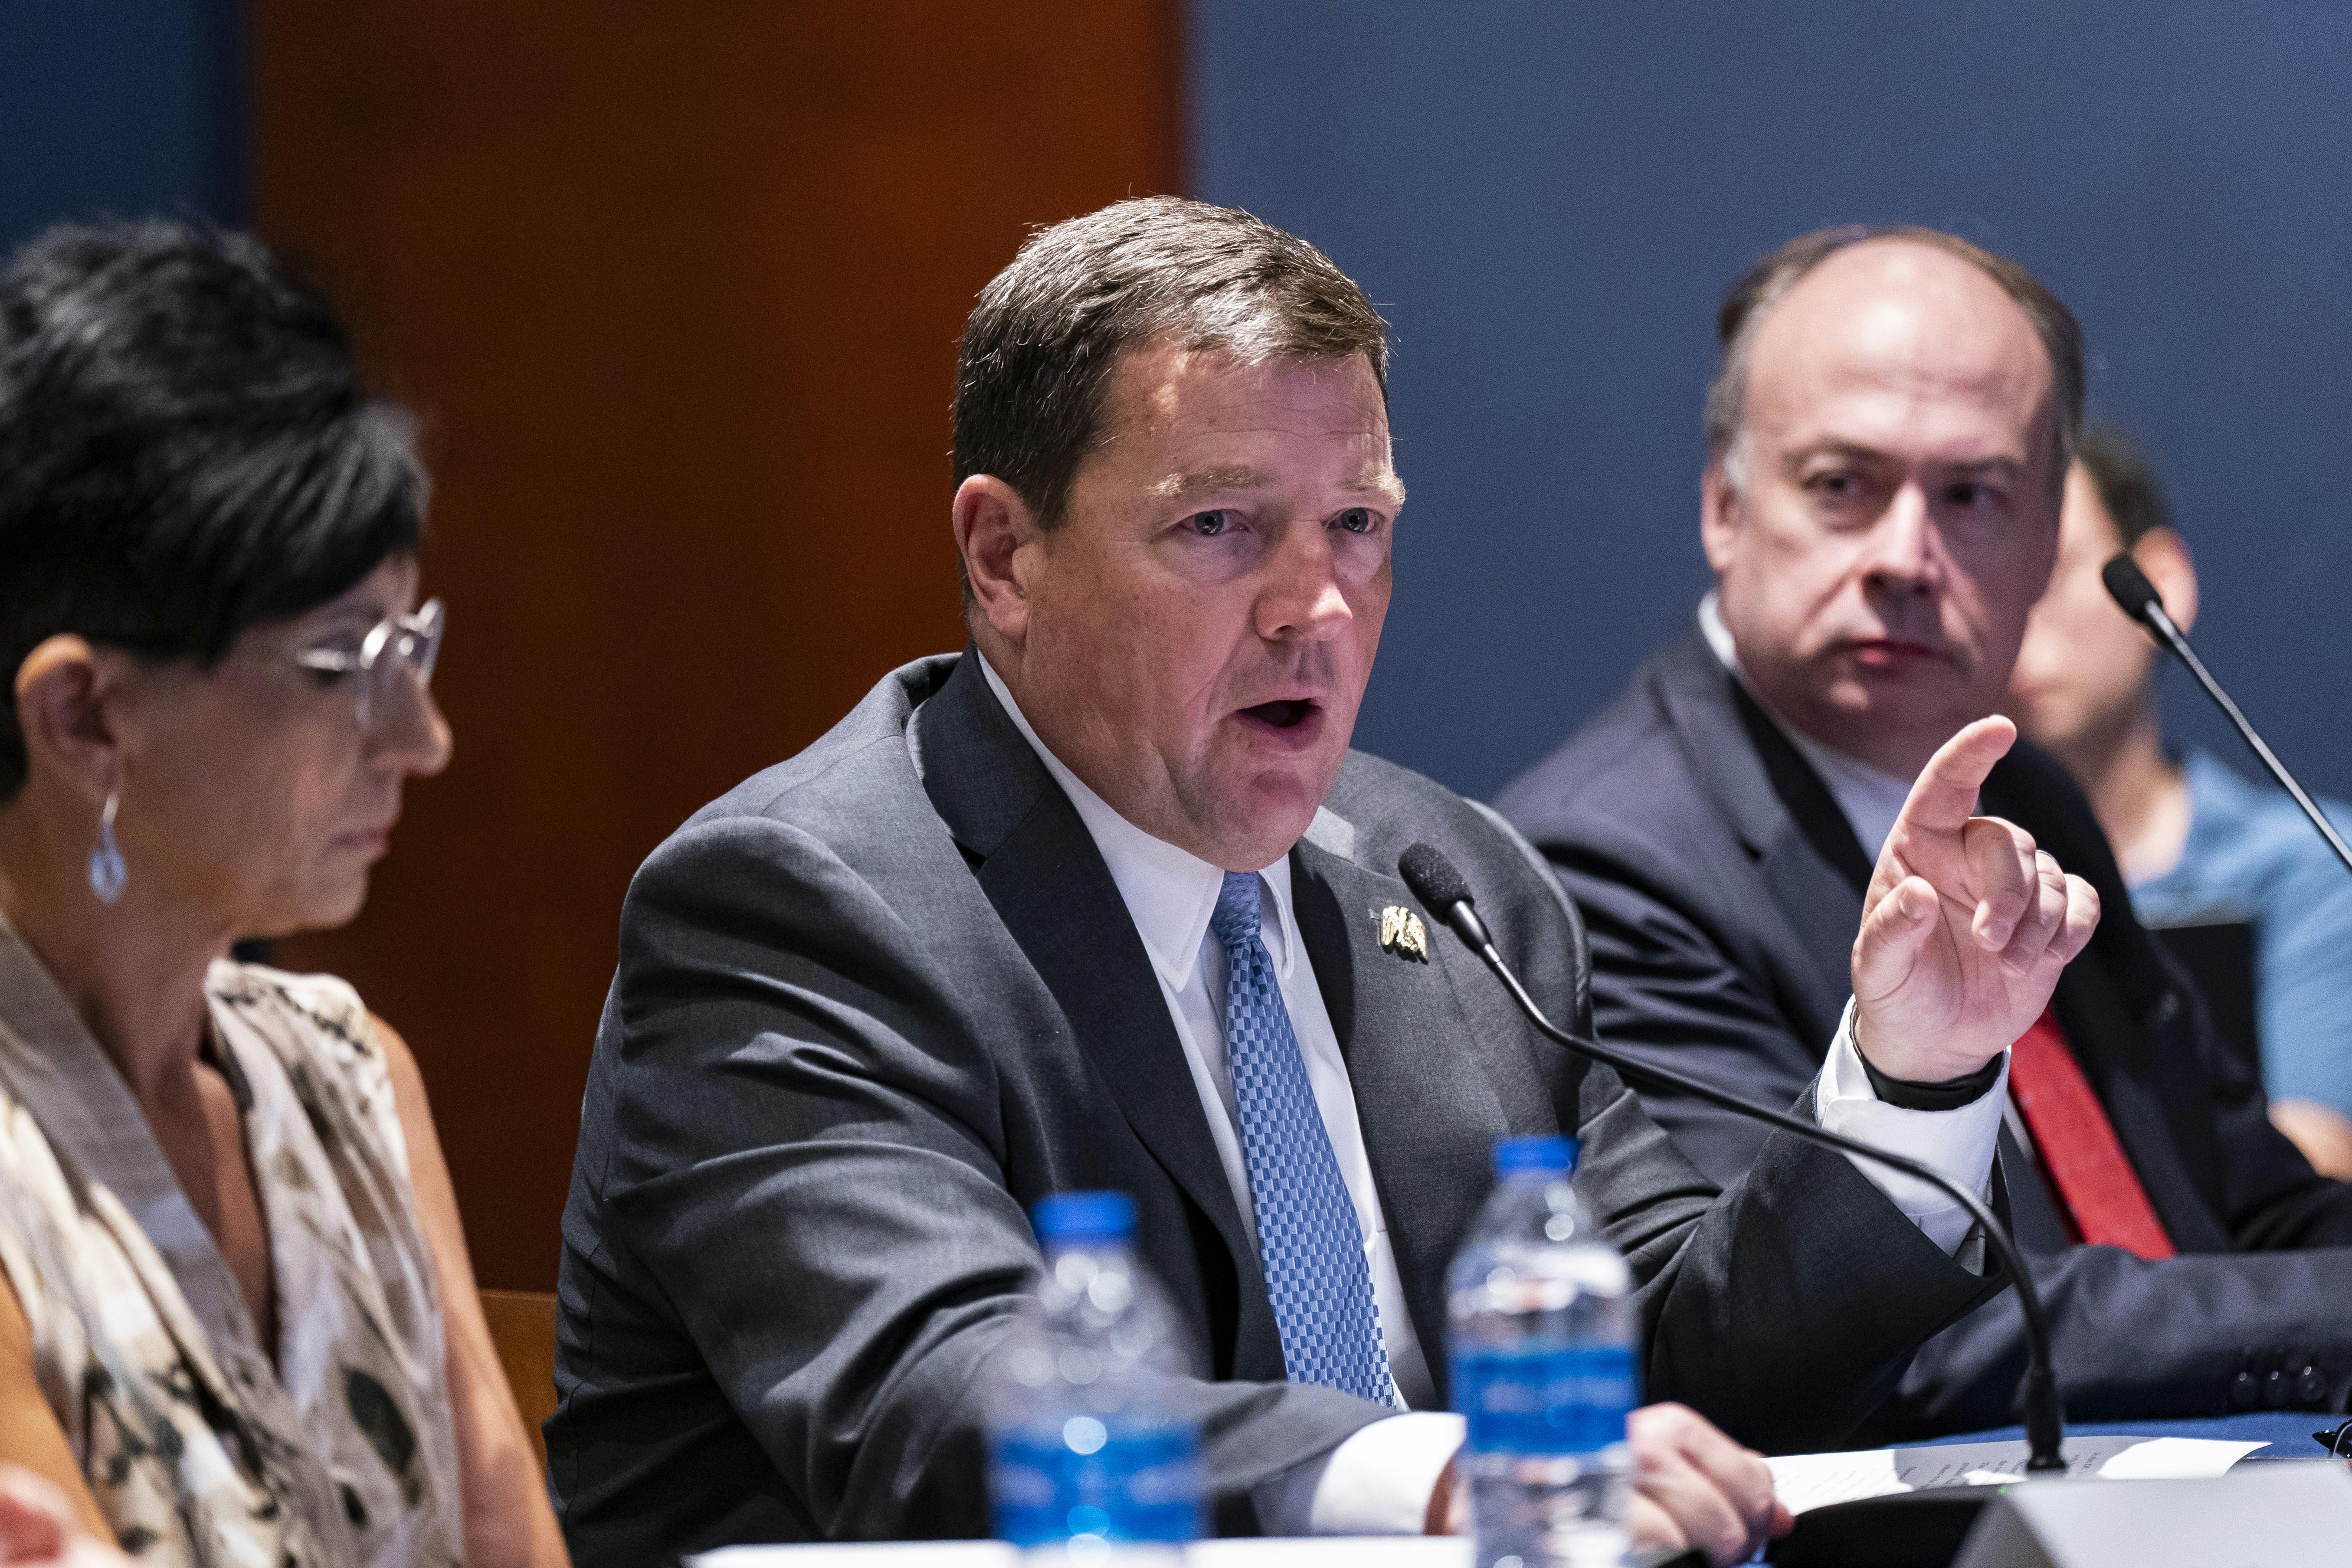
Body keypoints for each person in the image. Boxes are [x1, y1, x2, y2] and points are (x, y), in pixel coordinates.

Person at [547, 198, 2106, 1566]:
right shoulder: (799, 908)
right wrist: (1431, 1474)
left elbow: (1675, 1362)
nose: (1317, 607)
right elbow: (944, 1404)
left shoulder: (1449, 877)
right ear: (1003, 557)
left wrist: (1916, 1068)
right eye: (1219, 526)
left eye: (1356, 526)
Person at [1500, 225, 2352, 1443]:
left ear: (2048, 538)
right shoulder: (1606, 862)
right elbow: (1863, 1338)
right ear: (1725, 508)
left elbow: (2247, 1205)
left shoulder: (2029, 793)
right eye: (1840, 485)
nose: (1905, 558)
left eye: (1970, 496)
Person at [0, 223, 566, 1566]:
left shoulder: (349, 1076)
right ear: (83, 716)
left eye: (408, 642)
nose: (419, 737)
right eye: (338, 663)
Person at [2008, 429, 2352, 1179]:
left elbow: (2312, 1179)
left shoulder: (2312, 866)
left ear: (2158, 583)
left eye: (2049, 571)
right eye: (1991, 584)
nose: (2016, 619)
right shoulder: (1914, 888)